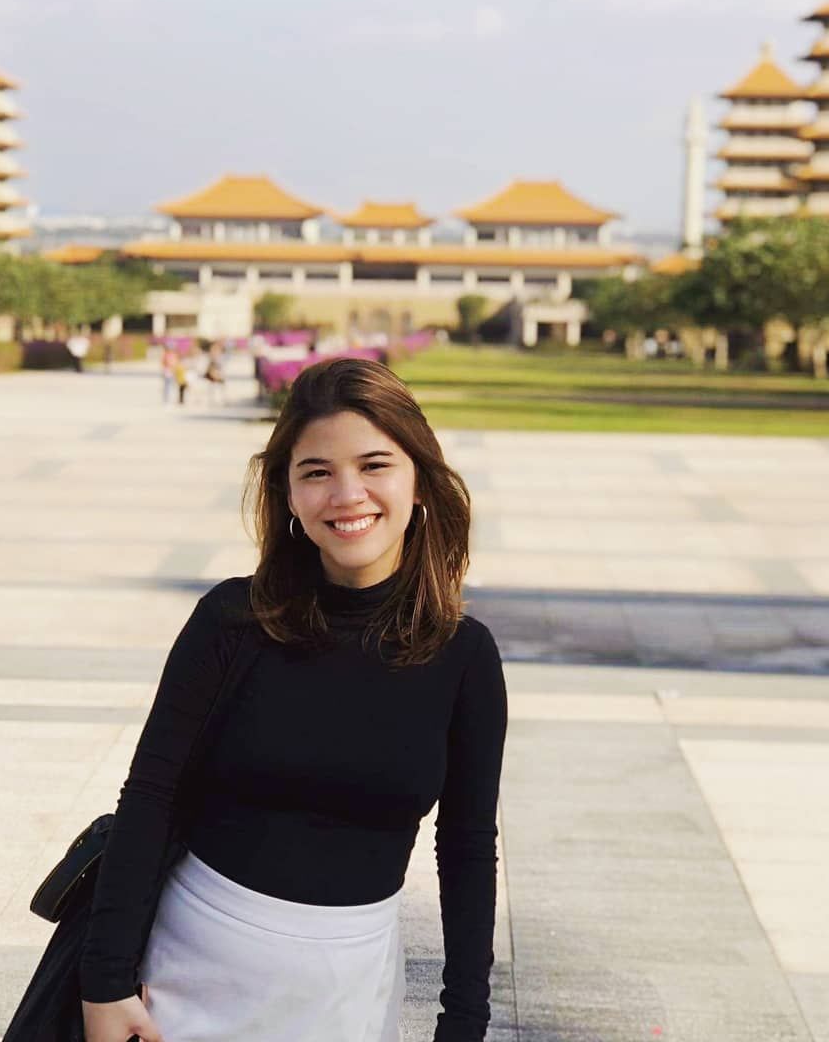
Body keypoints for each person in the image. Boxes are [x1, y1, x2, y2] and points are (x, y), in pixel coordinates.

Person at [79, 357, 508, 1042]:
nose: (347, 494)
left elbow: (466, 847)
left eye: (374, 465)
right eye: (317, 472)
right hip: (182, 979)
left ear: (419, 480)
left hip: (349, 989)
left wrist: (465, 1022)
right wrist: (104, 983)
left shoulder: (464, 656)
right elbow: (150, 798)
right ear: (286, 494)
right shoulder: (230, 622)